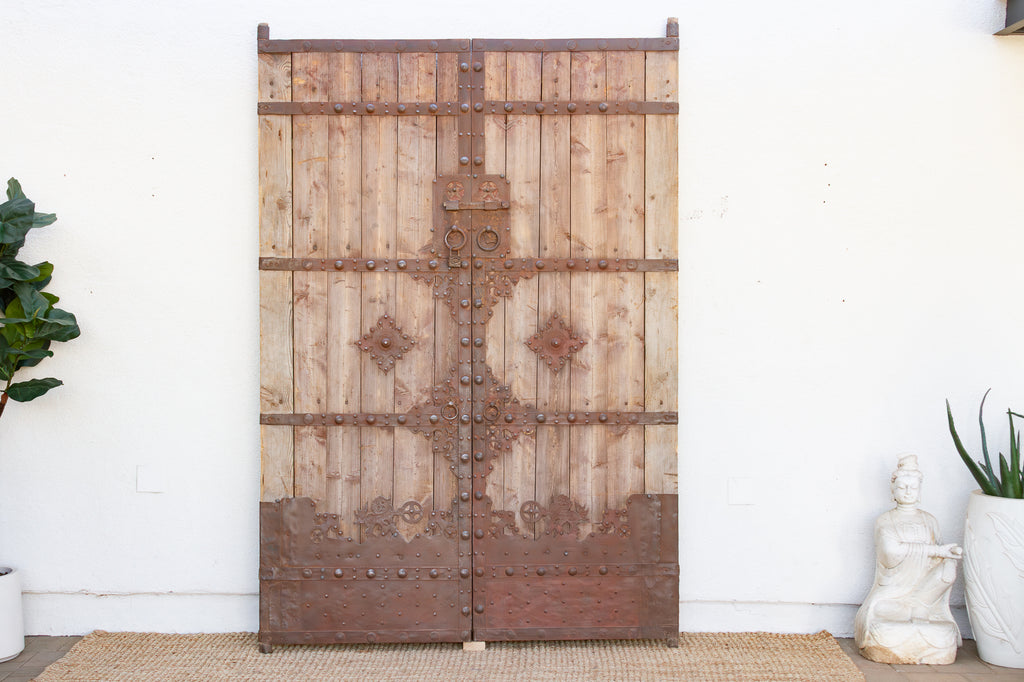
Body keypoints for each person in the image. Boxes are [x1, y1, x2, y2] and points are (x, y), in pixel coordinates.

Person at [854, 455, 962, 664]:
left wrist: (947, 556)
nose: (908, 491)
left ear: (920, 490)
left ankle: (919, 611)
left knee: (947, 577)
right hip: (892, 596)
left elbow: (936, 563)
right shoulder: (886, 520)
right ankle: (910, 616)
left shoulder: (929, 521)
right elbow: (891, 552)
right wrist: (936, 550)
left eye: (913, 487)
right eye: (903, 487)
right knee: (883, 629)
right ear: (893, 491)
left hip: (923, 596)